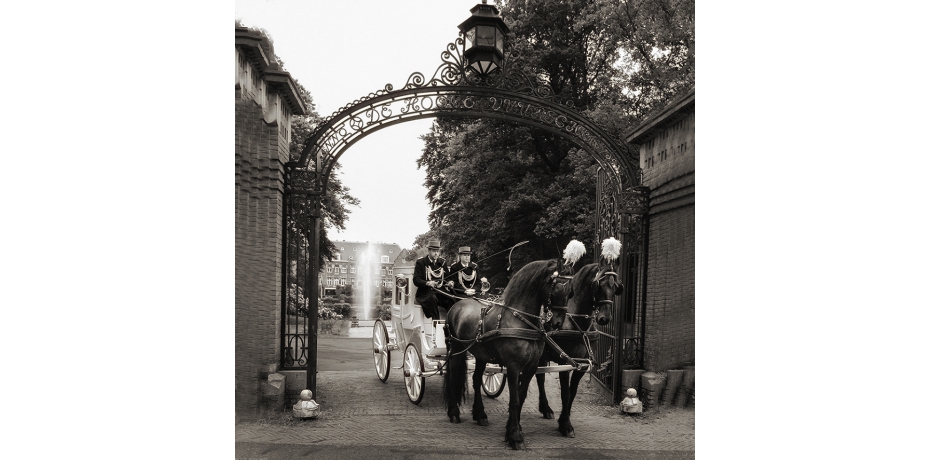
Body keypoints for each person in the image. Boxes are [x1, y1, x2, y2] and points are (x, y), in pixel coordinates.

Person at [413, 239, 454, 319]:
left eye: (437, 251)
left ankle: (450, 322)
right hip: (425, 292)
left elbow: (448, 278)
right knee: (432, 298)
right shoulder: (421, 262)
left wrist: (450, 283)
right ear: (429, 251)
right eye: (434, 251)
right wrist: (428, 283)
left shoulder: (442, 263)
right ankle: (436, 322)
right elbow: (416, 280)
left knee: (452, 298)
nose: (436, 253)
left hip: (440, 291)